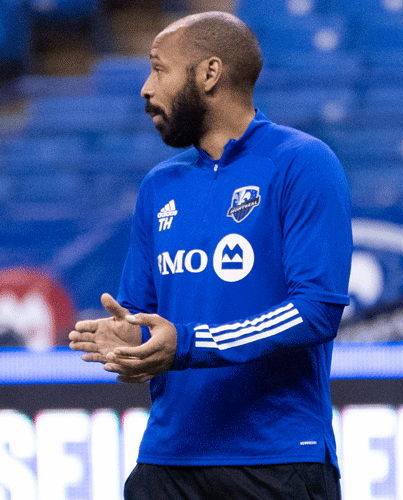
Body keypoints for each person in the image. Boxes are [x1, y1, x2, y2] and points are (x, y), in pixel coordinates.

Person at [70, 11, 351, 500]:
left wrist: (188, 343)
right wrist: (128, 338)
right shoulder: (159, 185)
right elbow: (145, 318)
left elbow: (317, 311)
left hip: (277, 460)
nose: (145, 88)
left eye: (158, 69)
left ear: (209, 73)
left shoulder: (302, 162)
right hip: (167, 460)